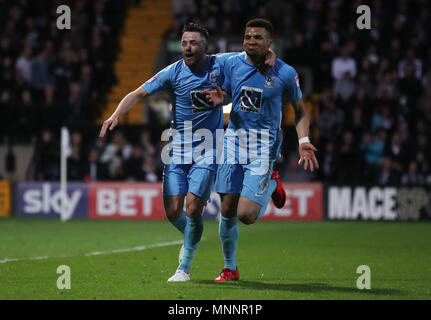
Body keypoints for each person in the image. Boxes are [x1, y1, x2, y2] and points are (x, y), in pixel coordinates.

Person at [99, 22, 276, 282]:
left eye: (193, 43)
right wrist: (115, 114)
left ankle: (183, 268)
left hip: (208, 147)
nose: (188, 48)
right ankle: (191, 234)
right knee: (173, 212)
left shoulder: (221, 63)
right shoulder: (172, 73)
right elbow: (138, 93)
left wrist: (271, 55)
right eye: (184, 43)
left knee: (193, 209)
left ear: (205, 47)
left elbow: (254, 52)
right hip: (176, 149)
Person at [204, 18, 319, 281]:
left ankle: (271, 183)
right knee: (227, 209)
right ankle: (230, 268)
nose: (251, 42)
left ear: (270, 42)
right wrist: (225, 98)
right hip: (232, 143)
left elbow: (300, 111)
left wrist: (303, 141)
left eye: (257, 37)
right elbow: (207, 65)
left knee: (246, 215)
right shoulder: (231, 62)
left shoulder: (285, 73)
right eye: (247, 37)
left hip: (262, 148)